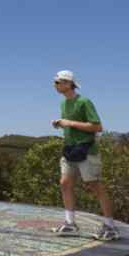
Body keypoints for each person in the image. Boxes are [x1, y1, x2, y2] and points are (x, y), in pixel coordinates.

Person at [51, 70, 119, 241]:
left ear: (69, 83)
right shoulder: (63, 104)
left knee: (94, 186)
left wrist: (69, 123)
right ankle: (70, 223)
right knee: (65, 184)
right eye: (55, 82)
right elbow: (72, 125)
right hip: (70, 150)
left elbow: (97, 127)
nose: (56, 85)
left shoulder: (84, 102)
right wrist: (61, 124)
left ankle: (110, 226)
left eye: (59, 82)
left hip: (87, 151)